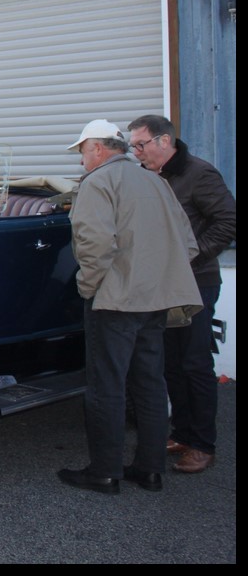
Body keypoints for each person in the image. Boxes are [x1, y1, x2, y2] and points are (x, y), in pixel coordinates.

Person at [57, 119, 202, 495]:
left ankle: (104, 472)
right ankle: (150, 470)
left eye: (83, 152)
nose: (82, 161)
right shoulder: (156, 181)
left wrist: (89, 288)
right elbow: (187, 244)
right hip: (157, 300)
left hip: (115, 300)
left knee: (107, 386)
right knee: (150, 384)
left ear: (98, 149)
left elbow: (95, 245)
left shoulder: (98, 183)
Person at [127, 115, 236, 475]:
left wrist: (192, 255)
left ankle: (204, 445)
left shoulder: (199, 174)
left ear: (164, 141)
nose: (137, 152)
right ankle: (183, 433)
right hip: (162, 283)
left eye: (141, 145)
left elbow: (228, 221)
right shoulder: (150, 175)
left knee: (194, 363)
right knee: (170, 362)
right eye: (133, 147)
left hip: (196, 282)